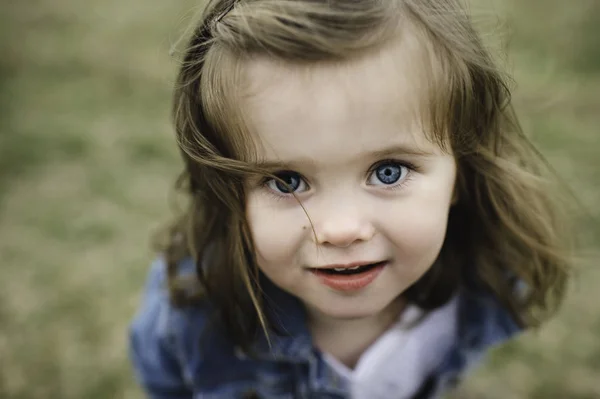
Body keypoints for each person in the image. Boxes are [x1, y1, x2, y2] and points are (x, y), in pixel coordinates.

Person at [129, 0, 573, 397]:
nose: (340, 229)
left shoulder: (483, 281)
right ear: (228, 191)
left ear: (461, 169)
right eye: (286, 181)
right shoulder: (193, 312)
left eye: (388, 172)